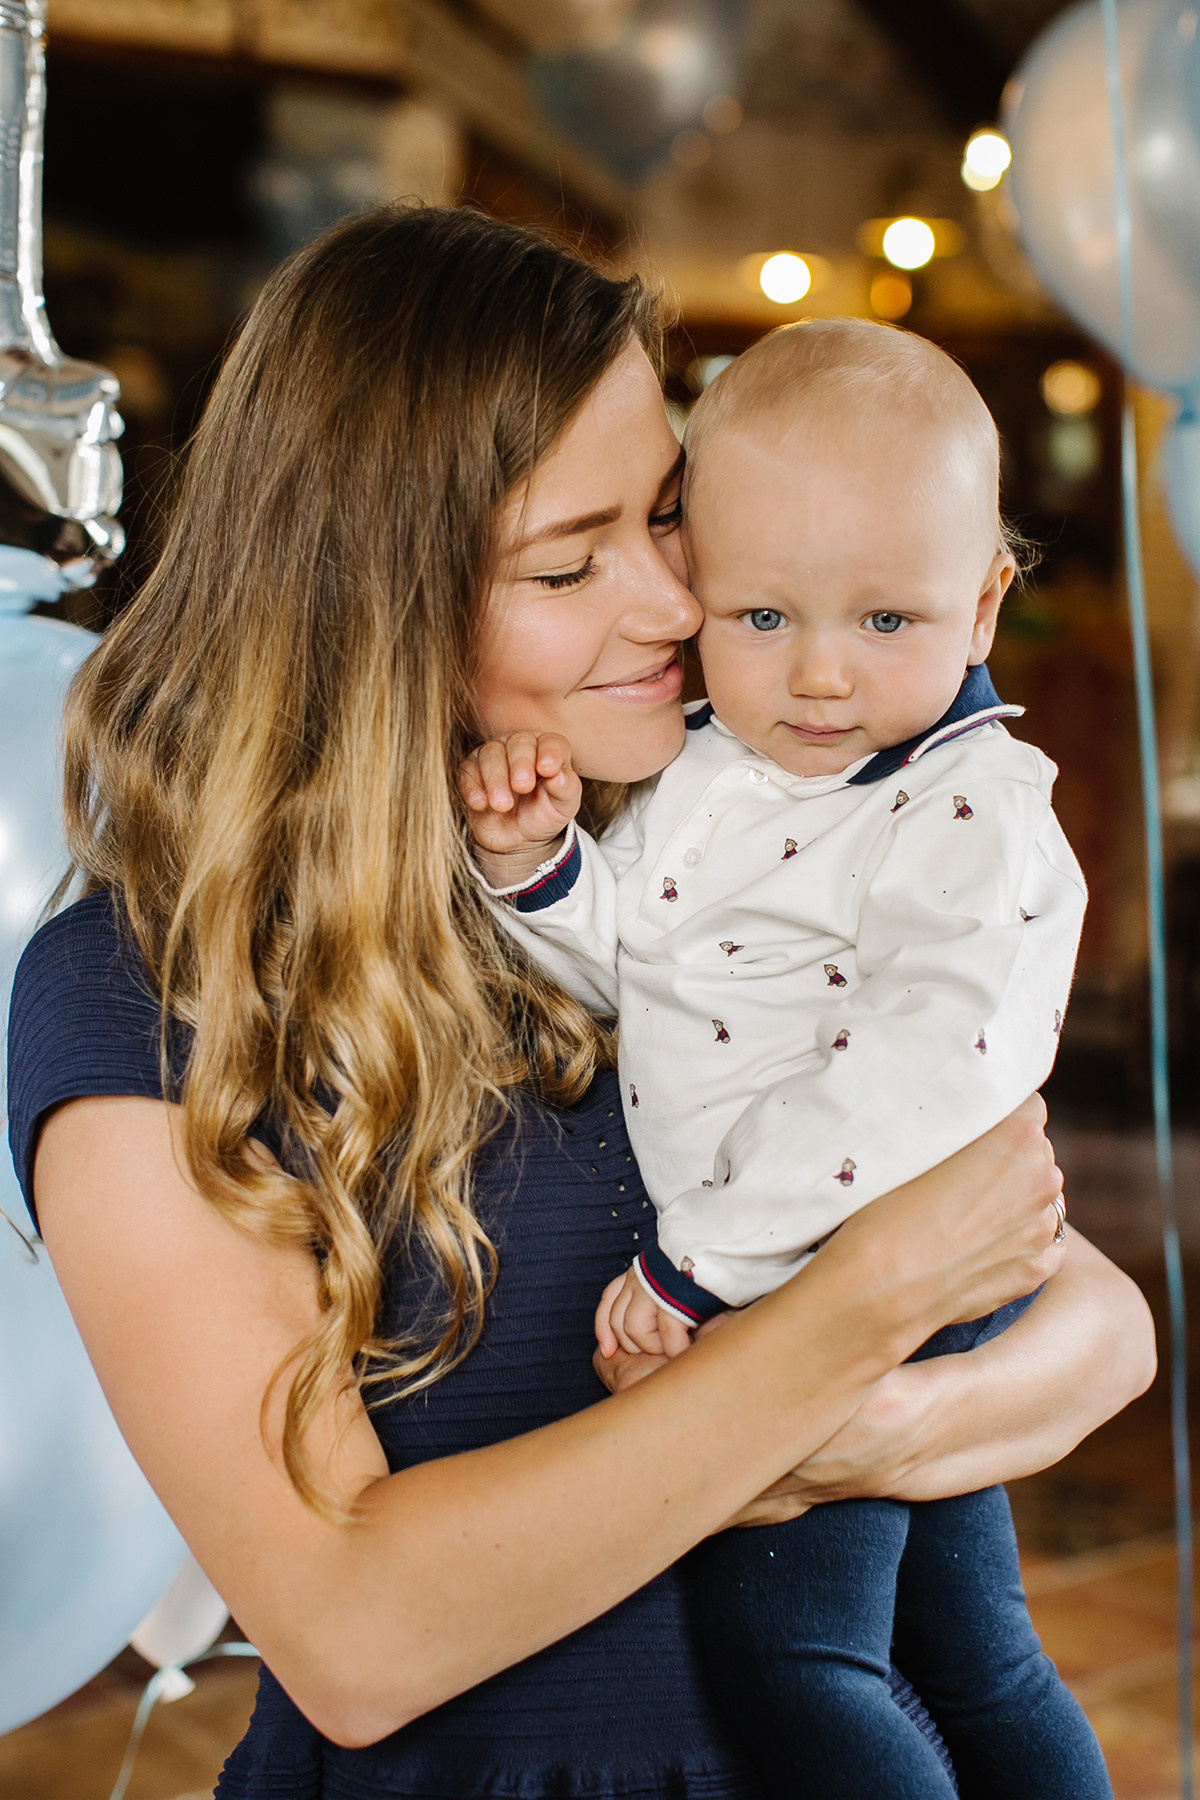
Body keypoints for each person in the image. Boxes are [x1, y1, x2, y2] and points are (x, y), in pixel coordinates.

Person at [5, 206, 1153, 1800]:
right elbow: (352, 1632)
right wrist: (848, 1322)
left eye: (669, 518)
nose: (680, 606)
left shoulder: (697, 841)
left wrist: (856, 1425)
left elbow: (1091, 1320)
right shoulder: (142, 994)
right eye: (570, 560)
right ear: (370, 594)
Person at [458, 319, 1111, 1797]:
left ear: (986, 599)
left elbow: (924, 1078)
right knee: (972, 1652)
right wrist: (541, 871)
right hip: (812, 1279)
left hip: (836, 1277)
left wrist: (702, 1269)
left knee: (806, 1667)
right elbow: (649, 964)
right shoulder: (714, 764)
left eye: (886, 622)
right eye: (762, 620)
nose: (819, 676)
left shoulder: (971, 816)